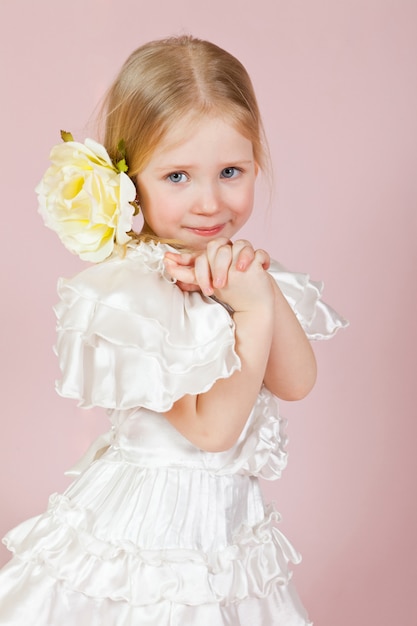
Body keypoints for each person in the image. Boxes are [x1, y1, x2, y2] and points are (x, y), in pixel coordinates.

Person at [0, 35, 347, 625]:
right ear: (129, 180)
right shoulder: (135, 294)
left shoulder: (241, 273)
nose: (210, 202)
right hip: (150, 544)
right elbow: (211, 430)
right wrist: (253, 312)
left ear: (256, 164)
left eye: (230, 171)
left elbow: (296, 381)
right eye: (178, 176)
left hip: (223, 538)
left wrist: (258, 292)